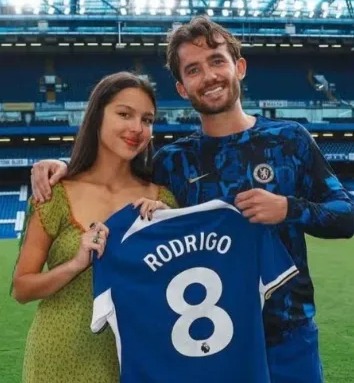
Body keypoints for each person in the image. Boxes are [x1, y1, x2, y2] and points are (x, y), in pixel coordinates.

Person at [29, 17, 354, 383]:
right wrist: (65, 166)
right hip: (209, 347)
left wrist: (288, 209)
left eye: (217, 60)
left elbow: (347, 215)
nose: (210, 76)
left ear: (239, 67)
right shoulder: (172, 162)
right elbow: (114, 177)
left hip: (288, 339)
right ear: (183, 88)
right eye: (194, 70)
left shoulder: (289, 139)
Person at [12, 72, 177, 383]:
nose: (137, 128)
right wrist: (76, 264)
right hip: (59, 359)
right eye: (124, 114)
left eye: (147, 119)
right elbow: (22, 288)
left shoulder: (163, 200)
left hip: (136, 358)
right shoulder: (55, 193)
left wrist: (168, 227)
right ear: (97, 116)